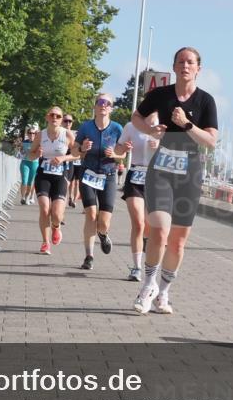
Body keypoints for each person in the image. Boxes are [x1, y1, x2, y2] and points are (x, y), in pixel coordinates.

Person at [131, 47, 218, 315]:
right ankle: (148, 286)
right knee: (158, 230)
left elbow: (212, 142)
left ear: (198, 69)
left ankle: (164, 292)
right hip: (162, 169)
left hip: (189, 173)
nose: (185, 65)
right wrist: (150, 129)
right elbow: (136, 117)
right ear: (174, 66)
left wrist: (188, 125)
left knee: (178, 241)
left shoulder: (205, 101)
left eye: (190, 62)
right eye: (181, 61)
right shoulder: (161, 94)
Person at [71, 94, 123, 270]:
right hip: (88, 174)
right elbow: (74, 151)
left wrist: (115, 155)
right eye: (100, 102)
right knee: (91, 215)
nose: (103, 105)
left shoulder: (117, 128)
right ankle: (88, 256)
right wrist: (81, 148)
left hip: (108, 176)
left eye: (107, 103)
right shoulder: (86, 127)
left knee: (103, 221)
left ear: (111, 108)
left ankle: (103, 233)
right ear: (95, 106)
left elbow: (123, 153)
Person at [115, 111, 160, 281]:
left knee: (149, 225)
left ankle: (145, 242)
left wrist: (160, 147)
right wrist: (124, 148)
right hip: (135, 176)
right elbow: (118, 149)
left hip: (154, 178)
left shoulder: (164, 125)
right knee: (139, 223)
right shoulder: (131, 126)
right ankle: (136, 267)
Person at [28, 106, 76, 255]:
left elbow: (78, 154)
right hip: (43, 174)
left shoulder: (67, 134)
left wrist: (63, 158)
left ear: (61, 119)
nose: (55, 118)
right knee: (44, 209)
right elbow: (30, 155)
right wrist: (37, 153)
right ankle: (45, 242)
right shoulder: (40, 135)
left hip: (60, 176)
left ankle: (56, 227)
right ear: (47, 117)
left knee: (56, 214)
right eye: (52, 115)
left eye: (58, 116)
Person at [19, 126, 39, 205]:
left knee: (30, 182)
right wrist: (22, 151)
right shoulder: (24, 142)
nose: (32, 135)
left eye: (33, 133)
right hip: (25, 162)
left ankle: (28, 196)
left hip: (34, 163)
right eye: (30, 133)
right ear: (27, 134)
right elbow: (21, 152)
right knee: (24, 180)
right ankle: (23, 197)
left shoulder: (37, 143)